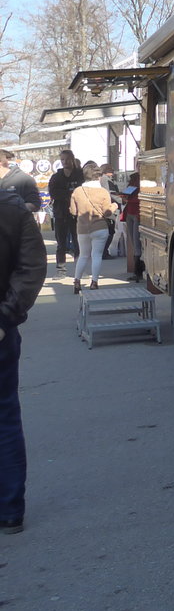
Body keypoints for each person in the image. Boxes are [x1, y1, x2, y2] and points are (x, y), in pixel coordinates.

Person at [0, 186, 49, 535]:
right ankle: (10, 510)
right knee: (4, 418)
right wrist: (5, 317)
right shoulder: (12, 207)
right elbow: (31, 266)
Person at [68, 163, 117, 294]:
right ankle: (94, 282)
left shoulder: (77, 191)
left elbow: (73, 211)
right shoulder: (103, 192)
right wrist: (114, 207)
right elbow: (107, 212)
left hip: (82, 229)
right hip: (100, 228)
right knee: (97, 255)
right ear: (99, 177)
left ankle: (77, 281)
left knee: (83, 255)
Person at [47, 151, 83, 275]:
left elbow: (83, 191)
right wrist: (69, 195)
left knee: (78, 241)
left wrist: (71, 196)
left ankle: (80, 269)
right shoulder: (56, 177)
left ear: (72, 159)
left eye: (67, 159)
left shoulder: (80, 175)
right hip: (60, 213)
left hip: (77, 213)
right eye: (62, 159)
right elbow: (53, 193)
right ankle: (60, 269)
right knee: (61, 243)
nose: (65, 162)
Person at [120, 172, 143, 282]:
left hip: (135, 213)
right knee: (135, 242)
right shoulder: (136, 178)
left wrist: (127, 198)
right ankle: (137, 271)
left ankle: (137, 272)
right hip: (133, 213)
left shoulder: (137, 179)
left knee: (136, 242)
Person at [99, 164, 117, 260]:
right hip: (108, 208)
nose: (113, 172)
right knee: (110, 230)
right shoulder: (106, 179)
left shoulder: (102, 179)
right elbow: (110, 193)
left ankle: (103, 252)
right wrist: (120, 200)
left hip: (104, 208)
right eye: (111, 169)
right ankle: (104, 252)